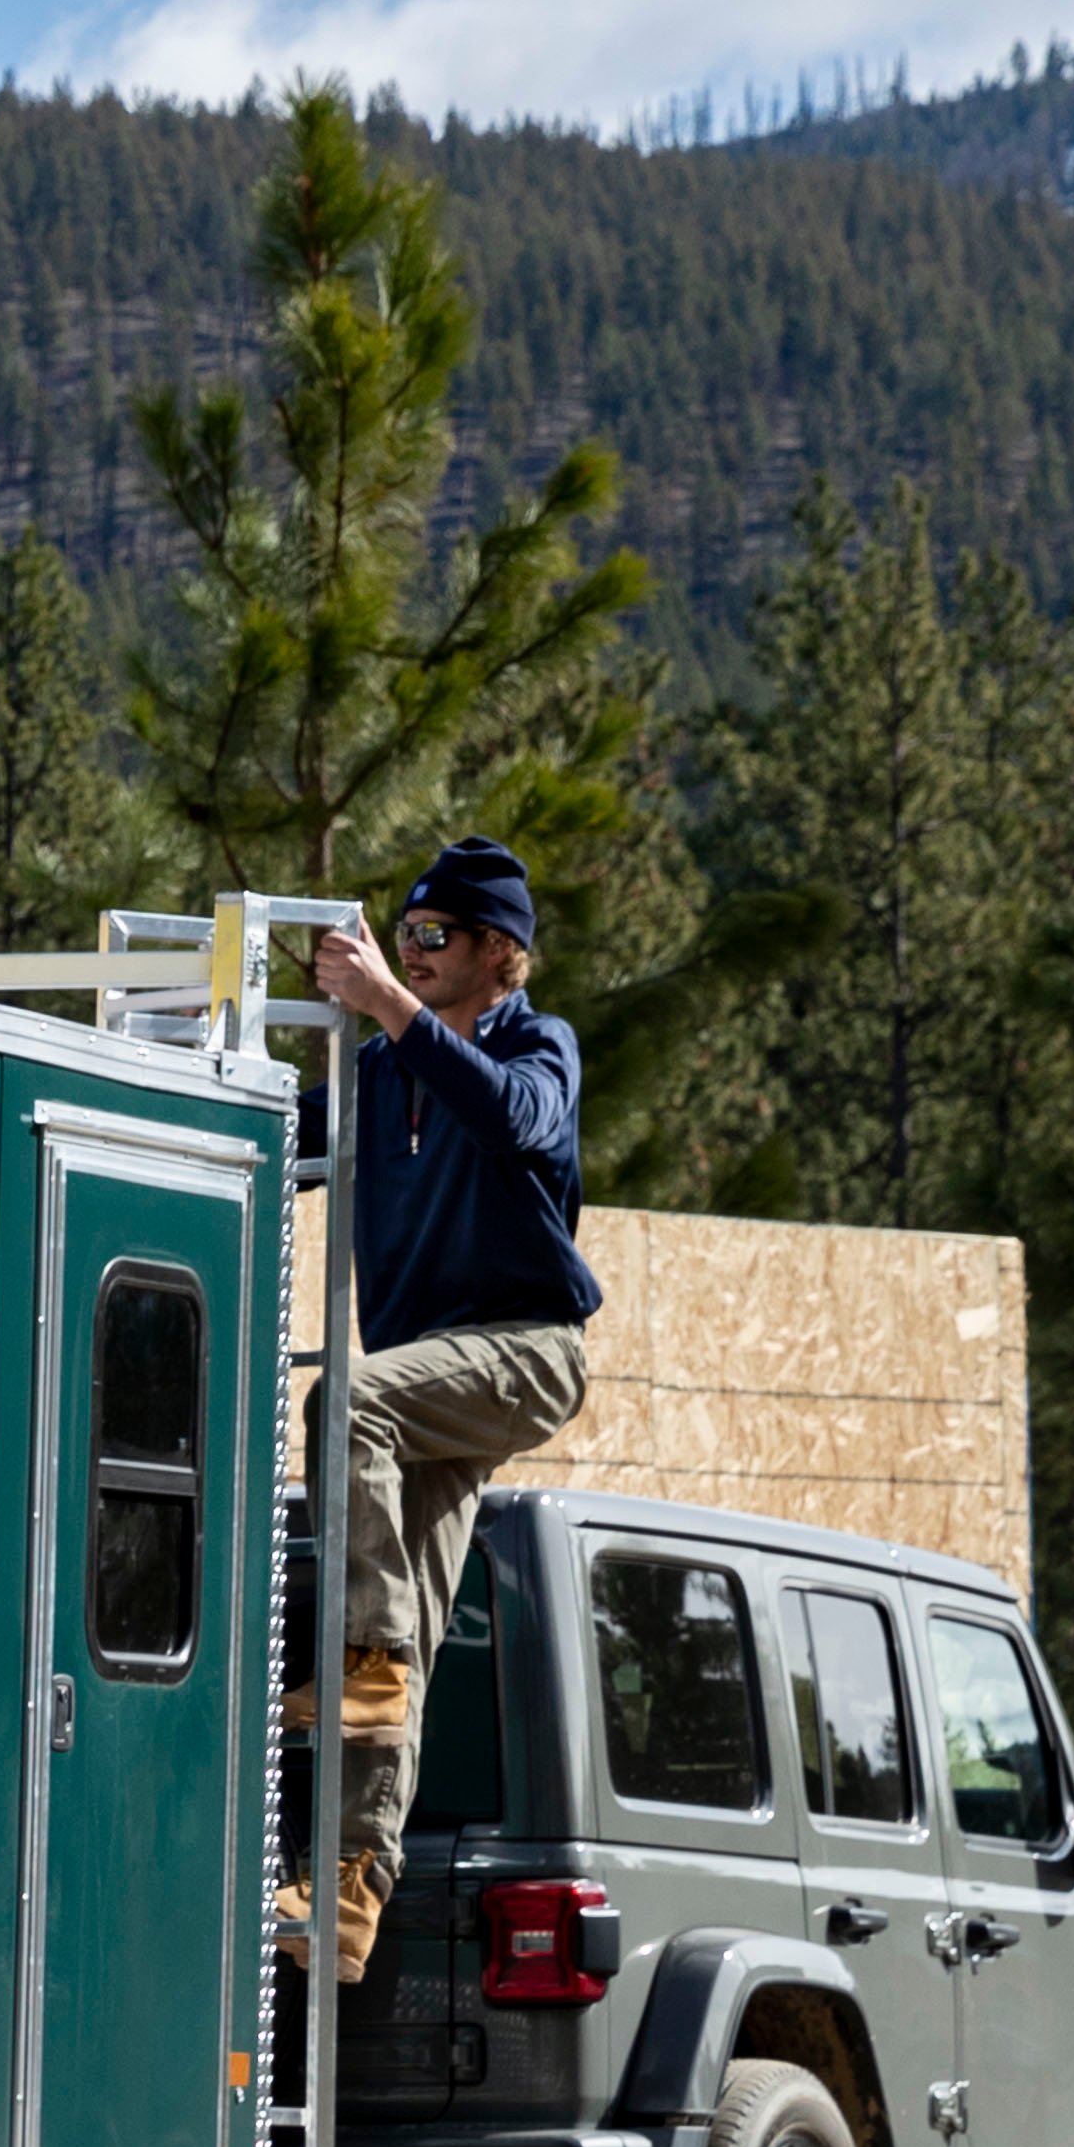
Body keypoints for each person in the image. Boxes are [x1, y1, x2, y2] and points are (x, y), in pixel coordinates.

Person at [288, 838, 602, 1974]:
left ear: (498, 953)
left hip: (525, 1352)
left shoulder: (536, 1046)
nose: (411, 952)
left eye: (434, 938)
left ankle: (362, 1659)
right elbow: (273, 1131)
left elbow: (519, 1121)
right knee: (407, 1614)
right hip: (431, 1381)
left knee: (347, 1406)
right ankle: (354, 1888)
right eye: (403, 936)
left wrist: (383, 1004)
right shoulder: (378, 1078)